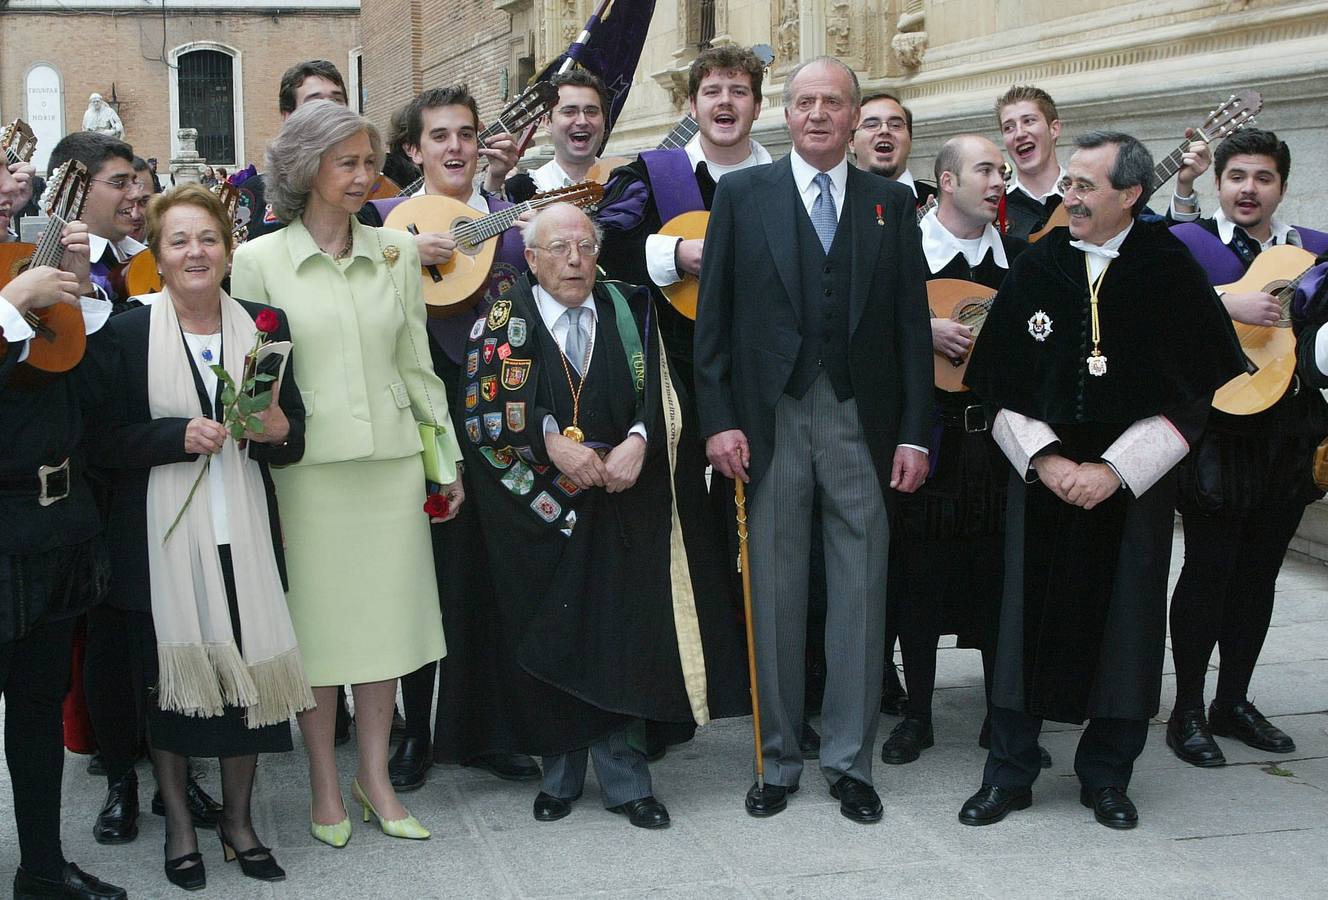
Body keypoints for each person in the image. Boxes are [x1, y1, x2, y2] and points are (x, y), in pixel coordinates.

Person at [957, 131, 1246, 830]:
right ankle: (1011, 772)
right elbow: (995, 389)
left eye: (1085, 186)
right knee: (1021, 622)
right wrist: (1050, 461)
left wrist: (1114, 472)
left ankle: (1108, 776)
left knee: (1130, 628)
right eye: (1071, 185)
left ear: (1131, 195)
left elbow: (1193, 399)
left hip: (1131, 489)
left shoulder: (1169, 270)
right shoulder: (1036, 265)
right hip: (1041, 479)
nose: (1069, 197)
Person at [694, 56, 933, 823]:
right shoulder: (741, 195)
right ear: (786, 114)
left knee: (862, 591)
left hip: (860, 422)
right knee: (775, 589)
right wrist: (719, 419)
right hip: (770, 422)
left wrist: (915, 435)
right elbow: (716, 323)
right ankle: (776, 759)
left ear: (856, 116)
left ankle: (850, 761)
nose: (818, 113)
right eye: (804, 102)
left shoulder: (891, 203)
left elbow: (907, 331)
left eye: (834, 102)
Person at [230, 100, 463, 847]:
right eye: (348, 163)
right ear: (306, 170)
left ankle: (376, 778)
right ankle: (324, 787)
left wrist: (444, 460)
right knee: (322, 638)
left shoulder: (396, 252)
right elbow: (251, 381)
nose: (366, 175)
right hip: (306, 474)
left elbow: (416, 365)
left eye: (370, 161)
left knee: (385, 629)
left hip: (392, 466)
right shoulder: (258, 261)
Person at [80, 184, 313, 890]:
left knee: (247, 695)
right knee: (173, 697)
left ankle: (239, 825)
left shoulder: (264, 328)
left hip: (242, 540)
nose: (195, 252)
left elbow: (291, 435)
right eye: (178, 241)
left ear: (227, 248)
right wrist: (172, 437)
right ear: (157, 255)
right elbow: (100, 441)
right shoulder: (125, 334)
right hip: (158, 548)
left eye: (207, 239)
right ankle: (181, 827)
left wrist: (279, 431)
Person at [462, 203, 715, 829]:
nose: (574, 259)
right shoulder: (501, 318)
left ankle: (629, 782)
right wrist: (550, 441)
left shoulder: (630, 305)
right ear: (532, 256)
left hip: (621, 498)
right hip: (543, 508)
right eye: (558, 248)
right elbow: (479, 409)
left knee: (621, 635)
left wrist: (639, 439)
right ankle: (561, 772)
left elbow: (661, 388)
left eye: (584, 246)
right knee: (553, 630)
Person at [361, 84, 537, 790]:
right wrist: (404, 250)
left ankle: (490, 731)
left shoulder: (504, 219)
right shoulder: (380, 223)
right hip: (421, 423)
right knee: (423, 577)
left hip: (501, 417)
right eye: (439, 136)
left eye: (465, 133)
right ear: (413, 150)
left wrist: (503, 194)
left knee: (493, 578)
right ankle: (418, 735)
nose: (456, 146)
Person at [596, 44, 769, 755]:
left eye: (738, 91)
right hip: (672, 370)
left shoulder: (780, 178)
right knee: (679, 525)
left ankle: (768, 684)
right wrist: (677, 257)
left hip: (761, 375)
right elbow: (607, 246)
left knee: (765, 523)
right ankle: (682, 687)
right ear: (691, 105)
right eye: (712, 91)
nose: (725, 103)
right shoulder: (654, 175)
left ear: (758, 104)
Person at [877, 135, 1051, 768]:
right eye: (984, 170)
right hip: (929, 439)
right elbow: (862, 333)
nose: (998, 180)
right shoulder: (901, 255)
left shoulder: (1023, 262)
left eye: (1002, 172)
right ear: (946, 182)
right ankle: (916, 714)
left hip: (1002, 442)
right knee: (918, 577)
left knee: (999, 577)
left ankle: (999, 713)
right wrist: (919, 329)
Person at [1164, 129, 1328, 767]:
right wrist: (1224, 300)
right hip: (1221, 434)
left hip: (1290, 435)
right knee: (1209, 568)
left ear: (1281, 187)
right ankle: (1187, 709)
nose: (1249, 189)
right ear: (1219, 183)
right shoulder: (1190, 245)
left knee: (1261, 572)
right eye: (1237, 177)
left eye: (1262, 178)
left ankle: (1234, 699)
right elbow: (1155, 311)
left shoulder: (1312, 254)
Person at [1, 162, 127, 900]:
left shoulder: (26, 265)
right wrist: (14, 303)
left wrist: (77, 288)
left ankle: (42, 870)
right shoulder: (13, 285)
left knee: (40, 706)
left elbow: (92, 385)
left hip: (54, 523)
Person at [46, 132, 146, 311]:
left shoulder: (147, 255)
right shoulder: (53, 271)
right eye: (119, 183)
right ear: (75, 188)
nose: (136, 194)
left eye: (134, 182)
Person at [505, 68, 609, 202]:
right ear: (547, 122)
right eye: (569, 112)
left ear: (604, 121)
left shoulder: (626, 185)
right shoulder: (521, 191)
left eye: (591, 112)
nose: (582, 121)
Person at [851, 93, 938, 209]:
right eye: (871, 125)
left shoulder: (941, 204)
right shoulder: (833, 202)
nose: (885, 130)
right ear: (851, 141)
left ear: (910, 139)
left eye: (896, 125)